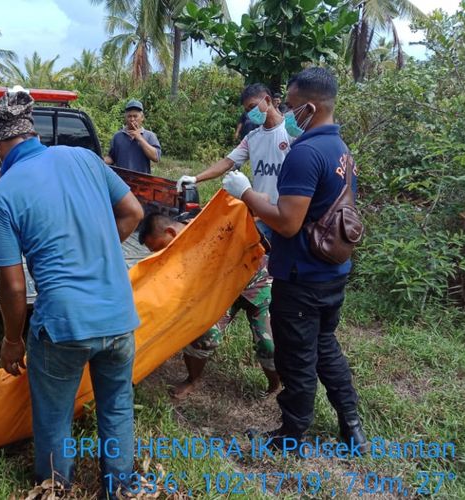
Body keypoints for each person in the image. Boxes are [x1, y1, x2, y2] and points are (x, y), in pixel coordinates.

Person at [0, 90, 144, 497]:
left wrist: (13, 340)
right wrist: (100, 249)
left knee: (54, 418)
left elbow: (13, 284)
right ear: (31, 131)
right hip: (120, 316)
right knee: (117, 407)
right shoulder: (84, 158)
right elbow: (134, 212)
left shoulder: (0, 196)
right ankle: (119, 488)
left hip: (64, 324)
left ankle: (56, 489)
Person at [222, 67, 368, 452]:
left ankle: (291, 436)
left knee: (298, 357)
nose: (285, 112)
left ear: (309, 107)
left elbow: (287, 223)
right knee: (325, 346)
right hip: (333, 271)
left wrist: (247, 193)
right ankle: (351, 426)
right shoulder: (341, 149)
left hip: (302, 276)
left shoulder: (305, 153)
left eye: (288, 105)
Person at [138, 213, 279, 399]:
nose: (159, 255)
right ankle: (192, 380)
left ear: (171, 232)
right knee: (202, 335)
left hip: (256, 281)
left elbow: (257, 205)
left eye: (159, 248)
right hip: (222, 290)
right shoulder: (177, 252)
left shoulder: (211, 220)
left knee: (269, 344)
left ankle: (275, 386)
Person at [177, 83, 292, 243]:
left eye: (253, 107)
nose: (251, 113)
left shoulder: (292, 131)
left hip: (288, 214)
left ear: (268, 100)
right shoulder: (252, 138)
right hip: (263, 212)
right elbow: (227, 162)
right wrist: (195, 178)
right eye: (247, 110)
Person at [103, 99, 161, 173]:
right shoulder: (117, 136)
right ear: (125, 117)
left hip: (141, 182)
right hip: (121, 181)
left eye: (135, 116)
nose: (132, 119)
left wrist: (139, 138)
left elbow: (156, 158)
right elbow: (112, 158)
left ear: (142, 117)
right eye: (129, 116)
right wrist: (100, 161)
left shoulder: (150, 136)